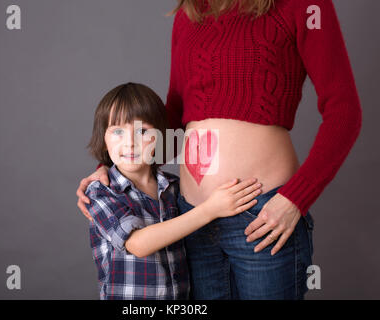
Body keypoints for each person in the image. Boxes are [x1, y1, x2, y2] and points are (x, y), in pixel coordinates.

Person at [77, 0, 362, 299]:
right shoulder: (190, 13)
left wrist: (295, 199)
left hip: (263, 214)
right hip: (191, 219)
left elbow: (345, 111)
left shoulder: (305, 6)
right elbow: (172, 117)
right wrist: (111, 169)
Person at [85, 82, 262, 300]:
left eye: (142, 131)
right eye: (118, 132)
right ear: (104, 140)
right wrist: (211, 209)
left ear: (160, 137)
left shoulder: (172, 187)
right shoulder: (101, 192)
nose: (130, 143)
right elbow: (138, 244)